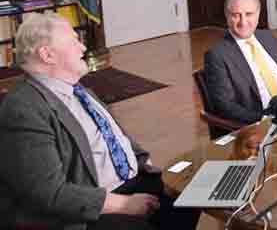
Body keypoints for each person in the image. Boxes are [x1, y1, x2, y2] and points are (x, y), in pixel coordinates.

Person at [0, 13, 200, 230]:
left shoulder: (79, 90)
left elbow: (114, 135)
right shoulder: (24, 108)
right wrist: (124, 204)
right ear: (47, 55)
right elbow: (48, 193)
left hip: (132, 180)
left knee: (197, 192)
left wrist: (142, 161)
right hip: (90, 210)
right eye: (74, 40)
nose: (83, 48)